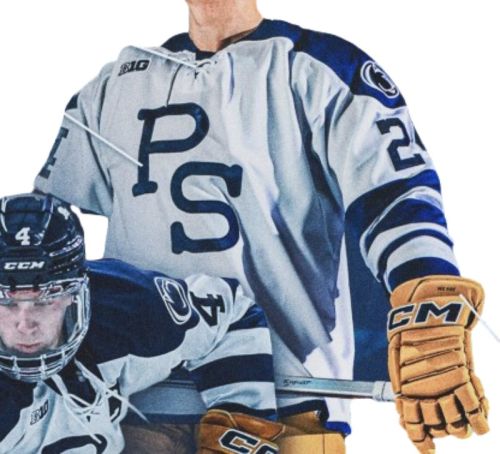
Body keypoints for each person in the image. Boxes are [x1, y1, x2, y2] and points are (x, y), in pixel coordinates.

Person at [33, 0, 490, 452]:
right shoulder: (112, 85)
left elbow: (394, 193)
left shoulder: (319, 68)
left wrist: (425, 294)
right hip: (140, 404)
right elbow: (41, 235)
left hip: (284, 403)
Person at [0, 193, 285, 453]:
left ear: (75, 294)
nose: (25, 324)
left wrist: (238, 432)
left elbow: (232, 316)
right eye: (6, 301)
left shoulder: (127, 307)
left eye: (46, 299)